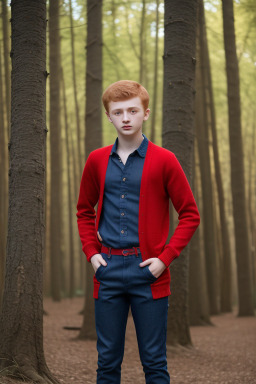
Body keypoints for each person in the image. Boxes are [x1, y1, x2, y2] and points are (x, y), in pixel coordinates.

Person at [76, 80, 200, 384]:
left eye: (133, 110)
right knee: (106, 362)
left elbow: (190, 215)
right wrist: (92, 254)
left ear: (145, 113)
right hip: (106, 269)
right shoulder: (96, 160)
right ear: (109, 117)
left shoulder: (165, 160)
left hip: (149, 271)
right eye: (118, 112)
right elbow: (83, 210)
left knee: (155, 362)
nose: (126, 117)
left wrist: (164, 259)